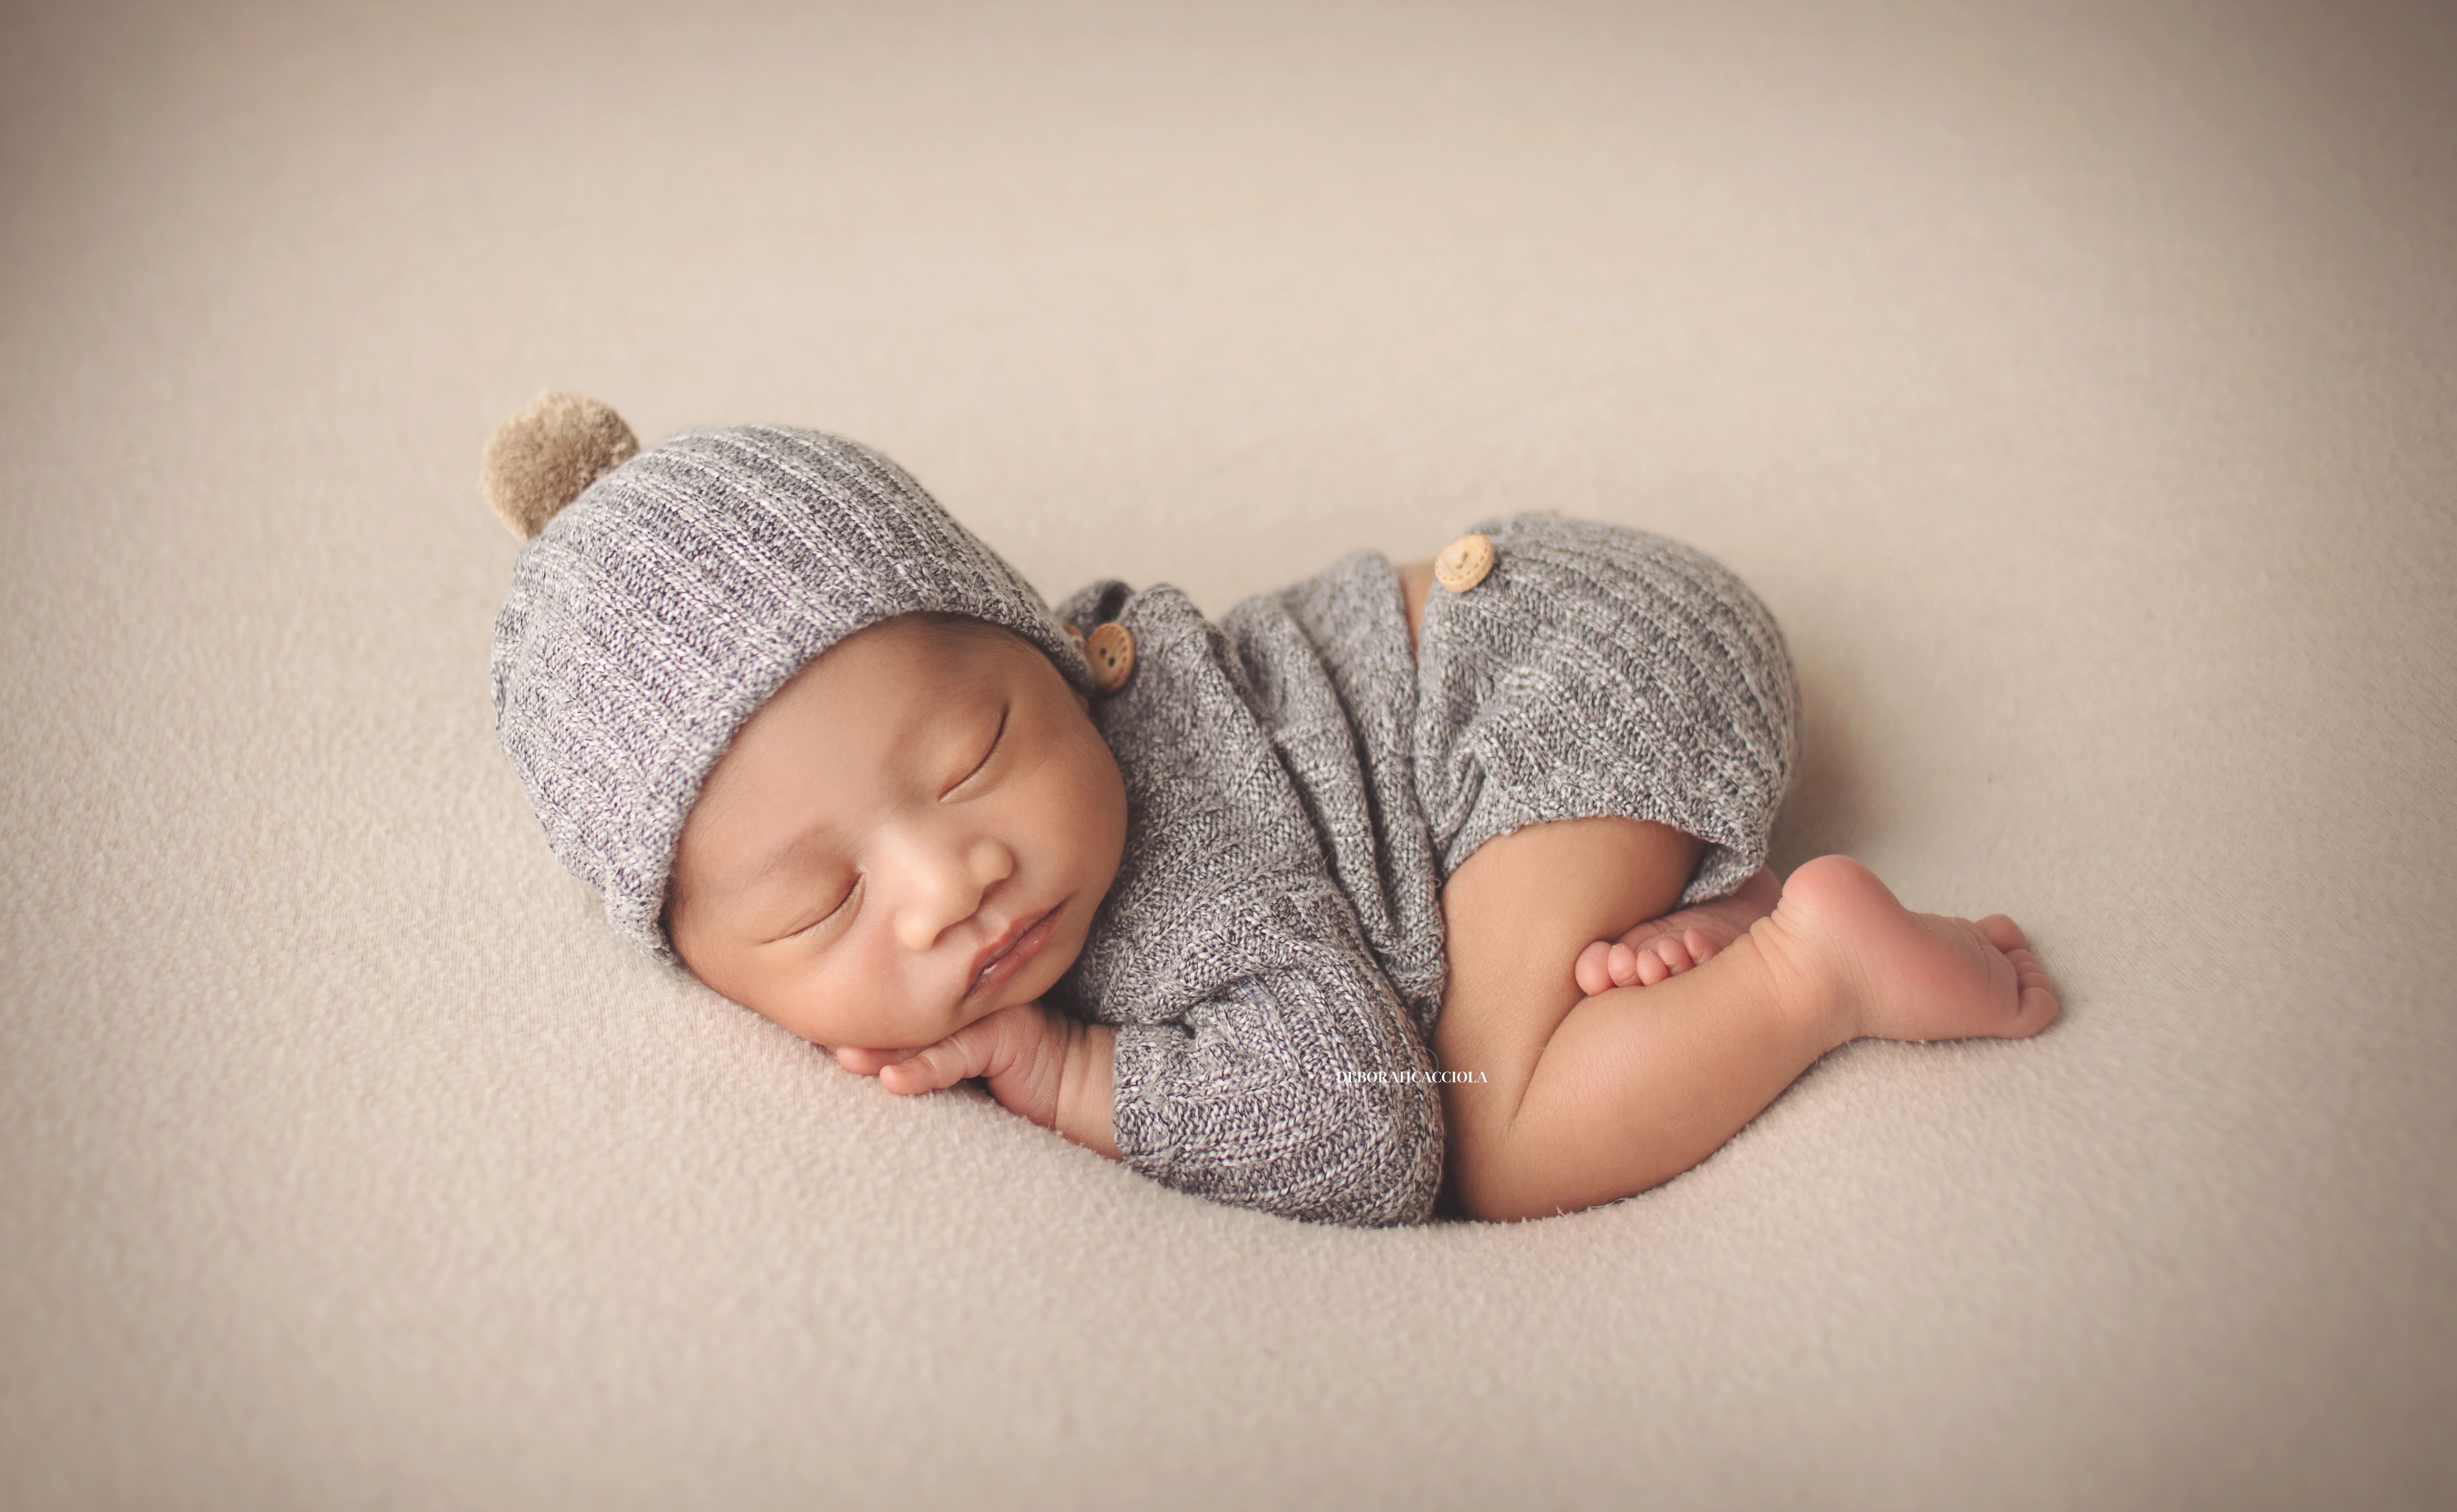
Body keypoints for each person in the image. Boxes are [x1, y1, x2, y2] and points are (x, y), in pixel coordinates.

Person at [486, 394, 2055, 1226]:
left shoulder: (1165, 868)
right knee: (1516, 970)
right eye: (814, 905)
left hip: (1553, 663)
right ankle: (1682, 901)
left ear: (1047, 646)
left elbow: (1371, 1123)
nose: (948, 878)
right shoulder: (1021, 856)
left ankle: (1813, 967)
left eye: (972, 753)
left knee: (1498, 1123)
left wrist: (1065, 1067)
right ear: (700, 964)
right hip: (1522, 668)